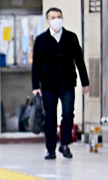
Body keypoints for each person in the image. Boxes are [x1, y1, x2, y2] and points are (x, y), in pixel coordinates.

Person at [32, 8, 89, 159]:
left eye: (59, 17)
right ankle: (50, 148)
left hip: (67, 83)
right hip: (48, 84)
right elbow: (36, 65)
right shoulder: (41, 40)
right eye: (53, 17)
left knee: (68, 114)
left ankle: (64, 145)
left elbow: (79, 60)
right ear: (47, 21)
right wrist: (35, 86)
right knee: (50, 117)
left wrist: (85, 82)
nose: (56, 19)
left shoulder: (71, 37)